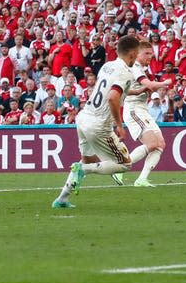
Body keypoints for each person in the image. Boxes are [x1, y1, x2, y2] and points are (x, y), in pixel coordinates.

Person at [52, 36, 142, 209]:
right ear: (131, 54)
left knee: (87, 159)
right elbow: (112, 97)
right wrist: (119, 125)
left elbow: (111, 90)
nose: (136, 57)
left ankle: (62, 198)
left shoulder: (108, 66)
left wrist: (135, 91)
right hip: (99, 125)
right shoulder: (126, 72)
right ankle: (82, 171)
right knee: (124, 163)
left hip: (84, 118)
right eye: (136, 54)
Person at [115, 40, 172, 187]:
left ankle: (141, 179)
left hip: (143, 110)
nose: (150, 56)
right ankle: (119, 168)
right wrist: (166, 83)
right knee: (152, 143)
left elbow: (145, 87)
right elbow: (150, 85)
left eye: (151, 54)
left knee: (160, 144)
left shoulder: (141, 68)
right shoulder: (135, 67)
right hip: (134, 109)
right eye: (146, 53)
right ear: (137, 53)